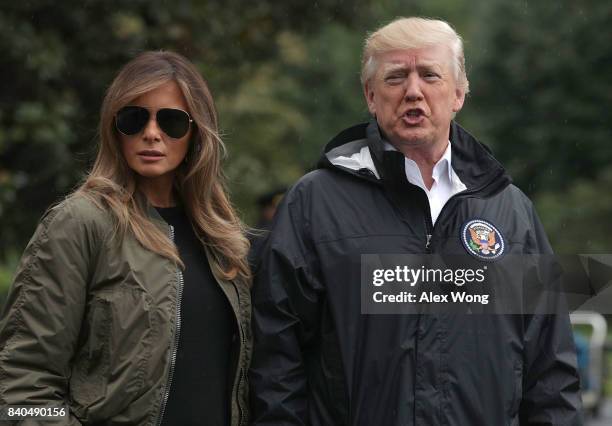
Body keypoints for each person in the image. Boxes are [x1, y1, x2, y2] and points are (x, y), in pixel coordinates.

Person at [250, 17, 582, 425]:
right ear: (370, 96)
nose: (413, 91)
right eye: (395, 77)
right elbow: (276, 363)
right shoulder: (314, 203)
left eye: (429, 75)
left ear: (458, 93)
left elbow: (550, 369)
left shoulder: (510, 211)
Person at [0, 51, 251, 425]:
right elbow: (21, 388)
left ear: (197, 132)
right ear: (113, 128)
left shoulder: (223, 238)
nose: (152, 133)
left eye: (171, 121)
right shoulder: (80, 223)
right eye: (134, 119)